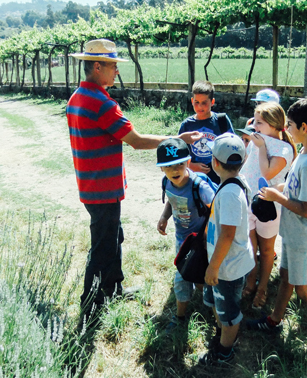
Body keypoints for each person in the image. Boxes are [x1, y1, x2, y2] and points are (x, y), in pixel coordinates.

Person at [67, 39, 199, 323]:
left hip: (91, 184)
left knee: (114, 236)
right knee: (102, 246)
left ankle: (114, 288)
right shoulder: (101, 103)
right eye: (113, 66)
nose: (117, 71)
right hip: (102, 187)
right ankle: (90, 306)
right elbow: (136, 142)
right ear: (98, 66)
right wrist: (176, 140)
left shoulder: (77, 97)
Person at [247, 98, 307, 352]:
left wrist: (278, 197)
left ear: (303, 126)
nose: (286, 128)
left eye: (289, 124)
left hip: (303, 236)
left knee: (304, 289)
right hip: (294, 233)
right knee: (287, 278)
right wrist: (279, 189)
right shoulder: (306, 153)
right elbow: (295, 189)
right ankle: (274, 321)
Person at [200, 133, 255, 365]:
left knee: (230, 313)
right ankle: (221, 333)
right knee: (218, 303)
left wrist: (213, 267)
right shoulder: (233, 184)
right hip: (223, 262)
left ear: (214, 162)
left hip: (227, 267)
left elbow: (228, 234)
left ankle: (225, 351)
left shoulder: (231, 193)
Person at [156, 138, 216, 331]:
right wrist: (165, 216)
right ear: (161, 169)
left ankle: (181, 316)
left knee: (185, 276)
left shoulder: (199, 186)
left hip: (201, 241)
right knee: (189, 273)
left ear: (188, 162)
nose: (175, 170)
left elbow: (216, 208)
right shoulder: (167, 182)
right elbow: (171, 201)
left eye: (180, 164)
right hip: (182, 239)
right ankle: (204, 305)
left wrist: (206, 235)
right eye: (169, 166)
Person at [240, 102, 296, 309]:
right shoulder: (256, 141)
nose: (255, 126)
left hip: (268, 206)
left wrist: (261, 147)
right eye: (254, 121)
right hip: (247, 200)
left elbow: (267, 173)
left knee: (266, 250)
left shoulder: (283, 148)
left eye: (259, 122)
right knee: (250, 247)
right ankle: (250, 281)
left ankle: (262, 287)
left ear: (273, 124)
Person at [179, 80, 235, 185]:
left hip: (220, 176)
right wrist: (190, 166)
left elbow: (232, 147)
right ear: (192, 101)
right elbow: (179, 154)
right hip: (194, 178)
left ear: (212, 102)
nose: (200, 106)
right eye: (197, 102)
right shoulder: (187, 125)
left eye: (204, 103)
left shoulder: (221, 120)